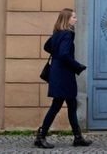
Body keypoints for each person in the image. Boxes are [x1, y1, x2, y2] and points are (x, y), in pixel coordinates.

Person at [35, 8, 92, 149]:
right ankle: (41, 137)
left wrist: (57, 56)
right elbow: (65, 54)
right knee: (57, 106)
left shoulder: (58, 33)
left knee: (71, 105)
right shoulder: (67, 34)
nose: (76, 19)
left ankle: (78, 137)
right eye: (73, 17)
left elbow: (47, 46)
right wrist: (78, 66)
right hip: (64, 76)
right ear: (67, 19)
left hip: (58, 73)